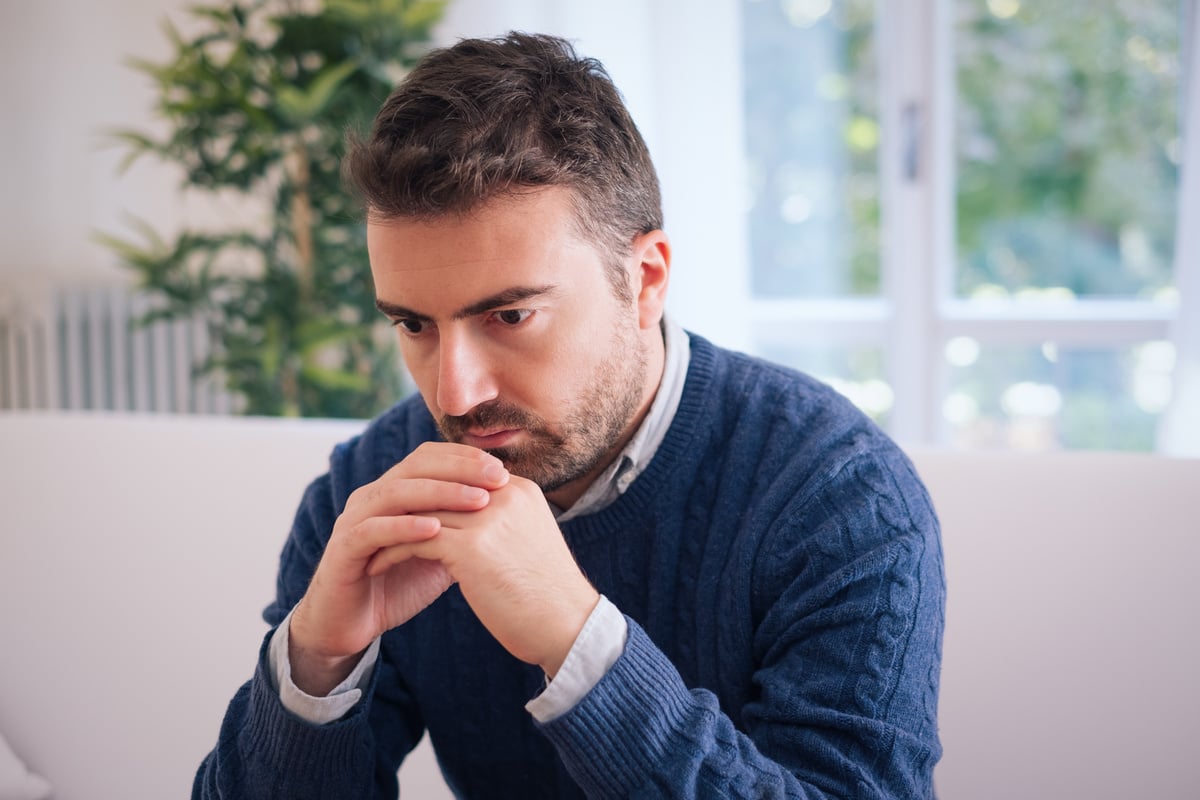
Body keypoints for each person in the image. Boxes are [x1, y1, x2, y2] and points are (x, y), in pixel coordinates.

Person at [194, 31, 944, 800]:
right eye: (415, 325)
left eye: (510, 316)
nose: (454, 395)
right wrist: (316, 666)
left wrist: (580, 646)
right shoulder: (373, 491)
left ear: (645, 278)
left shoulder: (842, 499)